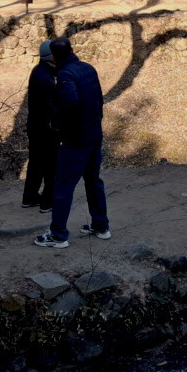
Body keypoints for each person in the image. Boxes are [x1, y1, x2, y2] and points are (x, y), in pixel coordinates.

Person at [34, 37, 110, 248]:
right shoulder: (88, 68)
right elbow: (99, 99)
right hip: (94, 134)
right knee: (93, 180)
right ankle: (101, 226)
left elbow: (70, 102)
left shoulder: (65, 75)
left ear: (54, 57)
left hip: (76, 139)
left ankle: (58, 235)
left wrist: (57, 123)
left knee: (63, 186)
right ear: (72, 50)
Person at [21, 40, 58, 211]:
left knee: (36, 163)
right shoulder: (45, 77)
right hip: (46, 127)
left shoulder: (40, 70)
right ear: (51, 56)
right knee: (51, 164)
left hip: (36, 125)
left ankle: (29, 197)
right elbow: (49, 105)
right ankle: (48, 202)